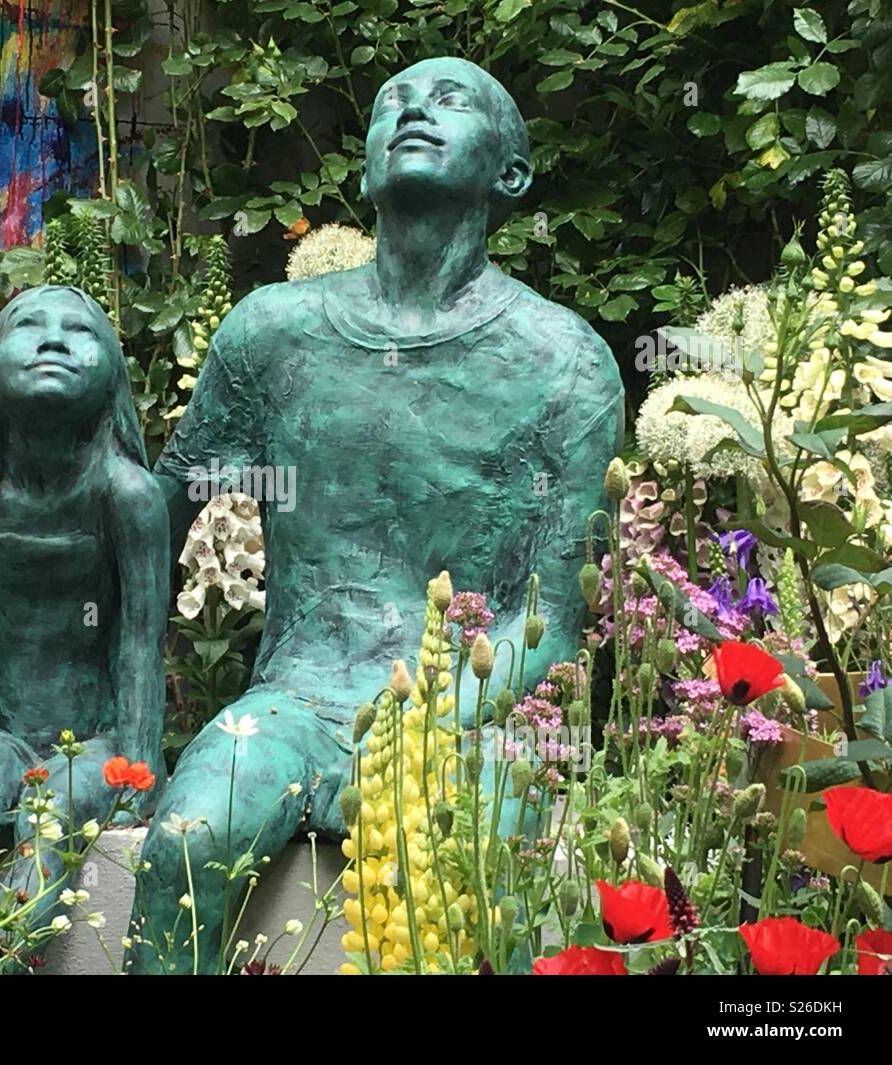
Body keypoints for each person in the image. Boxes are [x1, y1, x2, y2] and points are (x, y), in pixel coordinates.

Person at [126, 57, 624, 973]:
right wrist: (118, 730)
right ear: (362, 171)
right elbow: (149, 522)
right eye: (394, 97)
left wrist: (429, 726)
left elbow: (554, 623)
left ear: (510, 173)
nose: (414, 111)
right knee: (184, 843)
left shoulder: (566, 365)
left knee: (466, 887)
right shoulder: (272, 332)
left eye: (452, 99)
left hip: (465, 716)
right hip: (296, 703)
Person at [0, 286, 168, 916]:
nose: (53, 340)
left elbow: (139, 647)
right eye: (29, 326)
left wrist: (136, 769)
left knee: (47, 828)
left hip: (92, 745)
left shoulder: (128, 496)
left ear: (113, 377)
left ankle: (1, 959)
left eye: (80, 330)